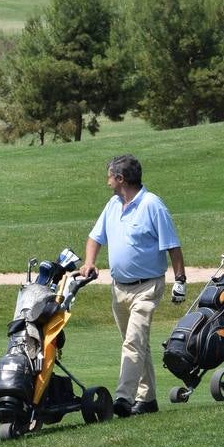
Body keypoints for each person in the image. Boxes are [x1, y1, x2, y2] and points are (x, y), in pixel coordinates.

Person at [79, 154, 186, 417]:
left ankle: (123, 398)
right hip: (119, 288)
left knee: (133, 343)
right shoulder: (113, 205)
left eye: (109, 177)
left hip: (147, 287)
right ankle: (147, 399)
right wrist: (89, 262)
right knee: (137, 344)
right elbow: (95, 237)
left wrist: (180, 279)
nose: (107, 182)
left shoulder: (152, 205)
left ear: (120, 178)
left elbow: (172, 245)